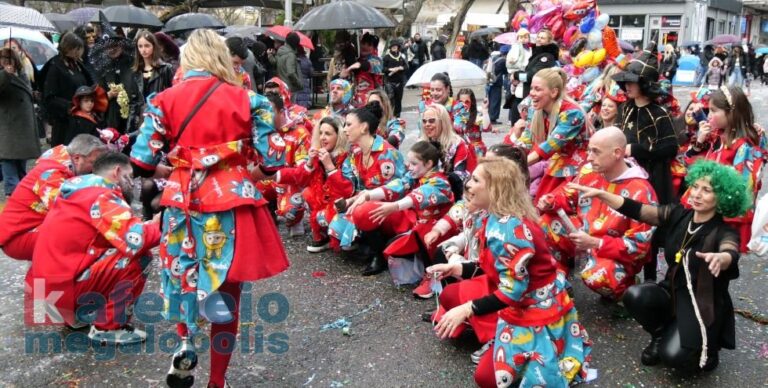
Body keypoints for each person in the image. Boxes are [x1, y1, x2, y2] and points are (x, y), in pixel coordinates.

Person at [129, 29, 289, 388]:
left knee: (184, 278)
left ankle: (185, 341)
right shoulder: (250, 100)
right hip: (231, 201)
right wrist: (245, 168)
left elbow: (140, 161)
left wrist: (176, 167)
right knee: (226, 293)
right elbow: (274, 159)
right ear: (220, 57)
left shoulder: (163, 100)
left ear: (187, 59)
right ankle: (217, 380)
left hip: (182, 199)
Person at [570, 160, 751, 373]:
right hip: (672, 292)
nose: (697, 194)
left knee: (673, 358)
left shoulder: (723, 231)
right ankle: (660, 334)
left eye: (707, 190)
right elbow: (638, 209)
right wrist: (602, 194)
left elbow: (730, 250)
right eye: (696, 186)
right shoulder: (679, 215)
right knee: (635, 295)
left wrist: (722, 258)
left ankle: (709, 349)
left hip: (700, 305)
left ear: (721, 197)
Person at [430, 157, 592, 387]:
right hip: (521, 301)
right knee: (451, 298)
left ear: (495, 188)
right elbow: (495, 268)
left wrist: (467, 309)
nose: (467, 184)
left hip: (534, 309)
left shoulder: (509, 229)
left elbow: (513, 291)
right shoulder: (496, 217)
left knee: (488, 378)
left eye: (476, 180)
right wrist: (456, 268)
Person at [26, 152, 160, 341]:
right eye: (129, 178)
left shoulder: (75, 191)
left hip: (44, 291)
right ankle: (108, 328)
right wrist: (159, 224)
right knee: (140, 257)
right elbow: (136, 241)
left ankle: (74, 316)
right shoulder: (102, 196)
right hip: (60, 291)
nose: (131, 185)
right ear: (117, 171)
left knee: (112, 250)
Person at [538, 127, 657, 300]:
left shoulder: (641, 191)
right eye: (589, 151)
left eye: (595, 152)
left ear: (617, 153)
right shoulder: (589, 172)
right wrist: (551, 201)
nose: (589, 157)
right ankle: (558, 279)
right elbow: (568, 195)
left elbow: (639, 247)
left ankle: (625, 291)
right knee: (544, 224)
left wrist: (596, 243)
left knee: (599, 277)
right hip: (583, 235)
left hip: (611, 250)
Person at [347, 140, 454, 295]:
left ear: (429, 163)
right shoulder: (415, 175)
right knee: (368, 211)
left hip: (436, 230)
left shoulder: (439, 182)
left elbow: (418, 196)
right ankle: (379, 252)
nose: (408, 167)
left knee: (426, 228)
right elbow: (398, 185)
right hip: (414, 221)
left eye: (413, 163)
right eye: (408, 162)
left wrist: (394, 206)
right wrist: (369, 195)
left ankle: (432, 274)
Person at [613, 47, 678, 282]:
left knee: (649, 225)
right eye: (625, 82)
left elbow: (671, 148)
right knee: (624, 221)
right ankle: (622, 278)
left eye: (633, 82)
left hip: (653, 176)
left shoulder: (658, 112)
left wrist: (639, 150)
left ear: (645, 83)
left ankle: (650, 279)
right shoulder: (626, 108)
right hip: (626, 173)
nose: (627, 86)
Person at [684, 86, 766, 252]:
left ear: (731, 113)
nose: (709, 116)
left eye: (714, 111)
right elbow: (689, 164)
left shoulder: (744, 147)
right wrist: (700, 140)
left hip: (722, 216)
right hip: (706, 206)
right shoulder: (716, 137)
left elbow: (741, 189)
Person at [327, 102, 405, 274]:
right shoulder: (356, 153)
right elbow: (352, 186)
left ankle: (380, 255)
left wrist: (366, 198)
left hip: (395, 209)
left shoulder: (386, 152)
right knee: (335, 221)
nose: (345, 129)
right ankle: (370, 242)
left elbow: (400, 188)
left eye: (348, 124)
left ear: (363, 127)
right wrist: (348, 200)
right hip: (370, 204)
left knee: (362, 212)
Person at [0, 135, 106, 261]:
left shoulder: (61, 162)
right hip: (17, 236)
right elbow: (68, 212)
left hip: (26, 229)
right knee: (80, 235)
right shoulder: (52, 174)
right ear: (77, 158)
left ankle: (42, 278)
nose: (95, 169)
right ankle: (45, 279)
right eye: (92, 163)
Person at [275, 116, 349, 252]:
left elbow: (346, 191)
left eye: (328, 134)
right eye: (320, 133)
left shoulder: (346, 157)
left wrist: (330, 167)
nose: (322, 137)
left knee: (325, 214)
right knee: (308, 193)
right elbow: (301, 179)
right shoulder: (317, 154)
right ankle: (321, 235)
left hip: (344, 204)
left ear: (339, 137)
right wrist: (309, 162)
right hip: (324, 202)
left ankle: (345, 238)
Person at [514, 67, 588, 202]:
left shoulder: (572, 113)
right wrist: (508, 156)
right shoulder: (536, 110)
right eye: (531, 88)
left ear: (554, 92)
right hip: (556, 165)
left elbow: (550, 145)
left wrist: (516, 164)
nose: (532, 93)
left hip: (578, 170)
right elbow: (526, 139)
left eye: (538, 89)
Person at [259, 81, 313, 236]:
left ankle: (296, 219)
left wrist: (280, 176)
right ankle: (267, 211)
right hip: (269, 178)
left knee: (290, 209)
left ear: (281, 111)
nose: (265, 118)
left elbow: (303, 172)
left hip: (290, 181)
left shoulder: (299, 131)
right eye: (263, 113)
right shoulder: (261, 132)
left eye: (270, 113)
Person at [0, 48, 41, 197]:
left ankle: (23, 196)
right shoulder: (4, 75)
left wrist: (34, 95)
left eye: (9, 58)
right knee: (9, 167)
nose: (6, 61)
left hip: (22, 129)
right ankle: (14, 197)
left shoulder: (22, 74)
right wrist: (5, 74)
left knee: (21, 167)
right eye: (3, 58)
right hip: (9, 129)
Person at [44, 32, 94, 146]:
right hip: (64, 124)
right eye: (76, 49)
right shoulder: (56, 66)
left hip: (80, 121)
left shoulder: (77, 65)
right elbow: (50, 97)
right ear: (68, 48)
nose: (79, 53)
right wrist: (71, 106)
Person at [421, 103, 477, 197]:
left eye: (431, 121)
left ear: (442, 122)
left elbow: (461, 177)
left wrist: (437, 177)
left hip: (452, 194)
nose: (427, 124)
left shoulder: (457, 144)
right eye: (424, 121)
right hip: (423, 193)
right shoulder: (421, 144)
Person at [129, 30, 173, 134]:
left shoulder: (165, 69)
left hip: (159, 116)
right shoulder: (135, 71)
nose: (143, 50)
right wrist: (130, 126)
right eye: (140, 46)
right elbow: (133, 101)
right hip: (141, 118)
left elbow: (171, 96)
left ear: (154, 46)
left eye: (147, 46)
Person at [90, 33, 135, 134]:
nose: (112, 49)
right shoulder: (99, 67)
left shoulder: (131, 62)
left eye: (115, 46)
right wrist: (108, 95)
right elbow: (95, 95)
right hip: (110, 114)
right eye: (108, 47)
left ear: (121, 46)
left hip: (130, 112)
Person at [510, 28, 559, 102]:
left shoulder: (547, 57)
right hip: (528, 94)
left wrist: (516, 75)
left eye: (542, 38)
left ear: (548, 42)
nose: (539, 39)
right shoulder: (537, 54)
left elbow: (531, 76)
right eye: (538, 37)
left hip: (535, 96)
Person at [341, 33, 383, 108]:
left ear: (374, 48)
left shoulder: (376, 60)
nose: (365, 46)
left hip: (371, 96)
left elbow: (366, 65)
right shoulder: (357, 59)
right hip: (356, 97)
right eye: (363, 43)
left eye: (369, 45)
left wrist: (354, 66)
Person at [453, 88, 491, 158]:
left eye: (467, 102)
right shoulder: (454, 115)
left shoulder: (477, 114)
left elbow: (486, 128)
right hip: (460, 150)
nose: (464, 104)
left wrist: (485, 110)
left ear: (472, 102)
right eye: (461, 102)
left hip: (476, 151)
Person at [382, 38, 408, 118]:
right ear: (390, 48)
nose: (394, 48)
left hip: (399, 82)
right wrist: (390, 69)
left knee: (398, 100)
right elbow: (382, 69)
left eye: (395, 46)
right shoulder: (386, 57)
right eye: (393, 46)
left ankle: (397, 117)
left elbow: (406, 67)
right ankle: (389, 116)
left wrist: (401, 68)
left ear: (398, 47)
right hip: (389, 82)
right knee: (390, 100)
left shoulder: (401, 56)